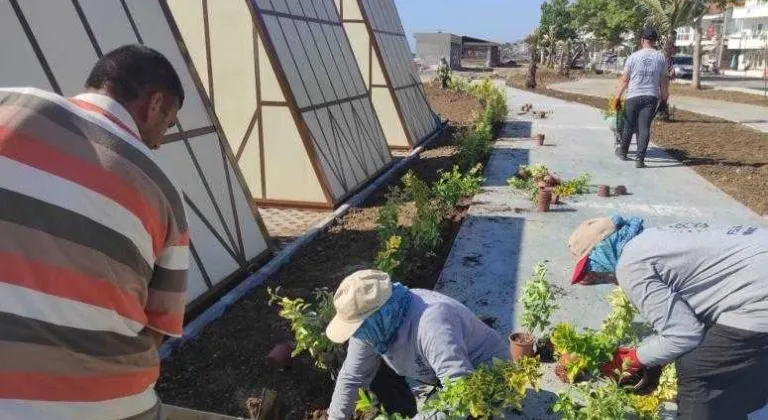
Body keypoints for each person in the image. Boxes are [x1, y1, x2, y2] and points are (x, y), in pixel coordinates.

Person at [0, 44, 188, 419]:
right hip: (113, 406)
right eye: (166, 125)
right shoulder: (164, 191)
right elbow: (158, 327)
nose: (159, 142)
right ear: (154, 104)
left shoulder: (8, 106)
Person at [568, 216, 768, 420]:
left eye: (591, 267)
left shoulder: (630, 264)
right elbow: (690, 312)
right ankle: (748, 407)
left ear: (602, 249)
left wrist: (630, 359)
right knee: (731, 355)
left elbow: (684, 335)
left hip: (760, 295)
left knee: (698, 366)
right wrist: (655, 361)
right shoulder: (652, 239)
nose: (595, 275)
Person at [325, 270, 508, 419]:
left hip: (481, 372)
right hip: (441, 375)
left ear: (379, 315)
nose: (358, 335)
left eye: (358, 326)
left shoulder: (431, 322)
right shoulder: (372, 327)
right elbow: (351, 377)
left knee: (468, 411)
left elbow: (462, 389)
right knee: (377, 375)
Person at [612, 26, 669, 168]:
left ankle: (623, 153)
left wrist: (617, 97)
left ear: (642, 40)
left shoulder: (633, 57)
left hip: (633, 96)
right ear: (654, 41)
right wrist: (664, 98)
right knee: (644, 128)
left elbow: (625, 79)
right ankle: (640, 160)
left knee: (628, 126)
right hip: (651, 97)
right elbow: (664, 81)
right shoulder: (661, 57)